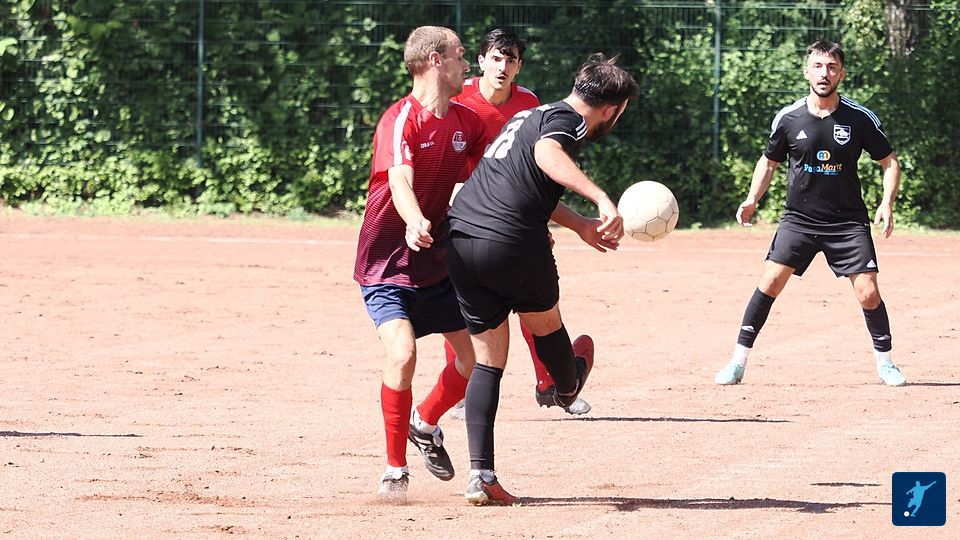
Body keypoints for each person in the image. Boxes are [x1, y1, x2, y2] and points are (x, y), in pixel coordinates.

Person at [446, 53, 639, 505]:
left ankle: (480, 475)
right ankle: (566, 386)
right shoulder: (568, 123)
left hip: (462, 238)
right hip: (511, 241)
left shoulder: (533, 115)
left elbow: (528, 182)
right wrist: (601, 199)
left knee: (489, 359)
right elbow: (546, 155)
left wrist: (581, 225)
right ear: (612, 110)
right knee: (545, 322)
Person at [714, 39, 905, 387]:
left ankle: (886, 364)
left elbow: (889, 162)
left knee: (868, 292)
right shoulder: (788, 118)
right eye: (818, 66)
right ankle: (737, 362)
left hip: (847, 221)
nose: (824, 73)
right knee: (769, 282)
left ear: (841, 74)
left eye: (831, 67)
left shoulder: (859, 118)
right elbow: (769, 162)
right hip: (799, 220)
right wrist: (752, 198)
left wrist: (886, 202)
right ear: (807, 72)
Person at [353, 25, 489, 500]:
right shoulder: (400, 119)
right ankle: (395, 469)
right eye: (460, 55)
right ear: (436, 60)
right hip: (387, 263)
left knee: (474, 359)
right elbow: (399, 179)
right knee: (403, 354)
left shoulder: (466, 122)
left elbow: (492, 174)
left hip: (437, 262)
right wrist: (414, 221)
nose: (466, 65)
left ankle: (425, 422)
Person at [446, 28, 591, 418]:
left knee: (533, 300)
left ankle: (550, 384)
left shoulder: (529, 103)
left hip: (515, 214)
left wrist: (538, 224)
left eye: (510, 60)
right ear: (481, 61)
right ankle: (463, 391)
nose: (503, 67)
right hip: (467, 212)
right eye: (496, 58)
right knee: (463, 310)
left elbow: (534, 172)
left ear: (519, 66)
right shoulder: (458, 98)